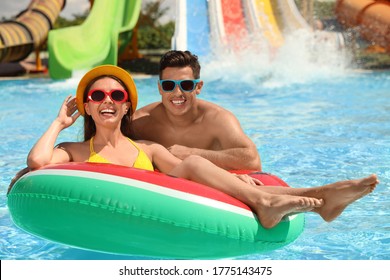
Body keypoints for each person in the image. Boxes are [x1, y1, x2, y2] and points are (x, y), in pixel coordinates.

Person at [25, 65, 378, 229]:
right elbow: (38, 163)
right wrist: (59, 123)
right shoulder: (75, 151)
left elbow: (192, 169)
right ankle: (315, 200)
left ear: (126, 106)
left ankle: (318, 198)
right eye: (97, 95)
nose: (107, 100)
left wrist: (238, 180)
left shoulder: (146, 149)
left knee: (191, 162)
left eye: (117, 95)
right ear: (86, 105)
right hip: (106, 214)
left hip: (160, 215)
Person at [132, 50, 261, 171]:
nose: (177, 93)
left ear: (198, 87)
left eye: (186, 85)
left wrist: (192, 153)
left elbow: (253, 160)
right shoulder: (141, 122)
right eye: (168, 85)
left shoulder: (217, 119)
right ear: (160, 88)